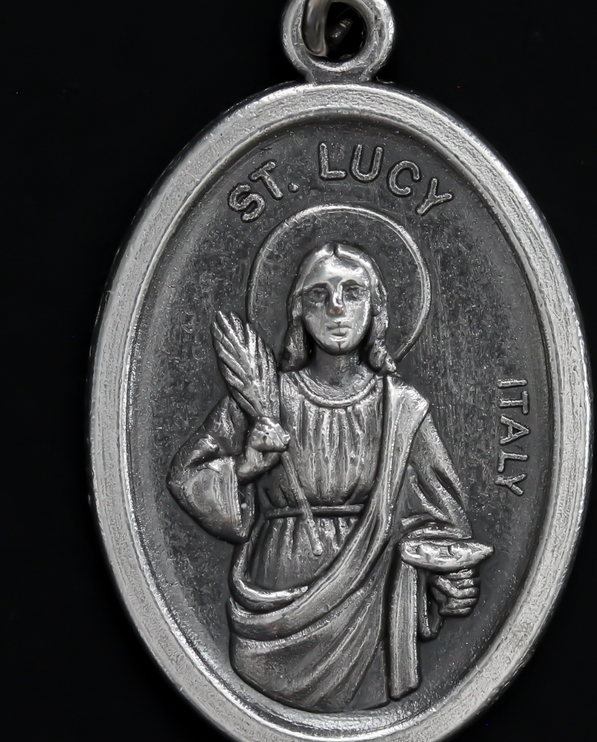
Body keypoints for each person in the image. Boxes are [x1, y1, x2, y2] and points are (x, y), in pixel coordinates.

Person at [168, 241, 481, 712]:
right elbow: (184, 476)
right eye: (319, 294)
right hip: (273, 606)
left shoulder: (402, 409)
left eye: (352, 292)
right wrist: (247, 465)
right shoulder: (263, 399)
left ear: (376, 310)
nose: (336, 307)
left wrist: (445, 580)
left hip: (369, 607)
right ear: (298, 310)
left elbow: (440, 522)